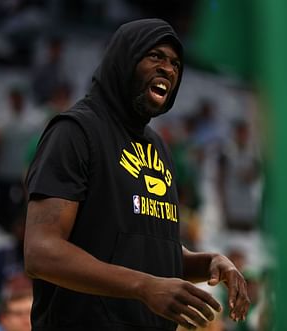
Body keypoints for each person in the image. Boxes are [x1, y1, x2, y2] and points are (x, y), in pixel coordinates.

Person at [24, 18, 250, 331]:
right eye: (155, 56)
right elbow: (41, 252)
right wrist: (142, 286)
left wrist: (208, 262)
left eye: (175, 63)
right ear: (124, 61)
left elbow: (146, 252)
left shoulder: (158, 147)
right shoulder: (75, 131)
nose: (168, 69)